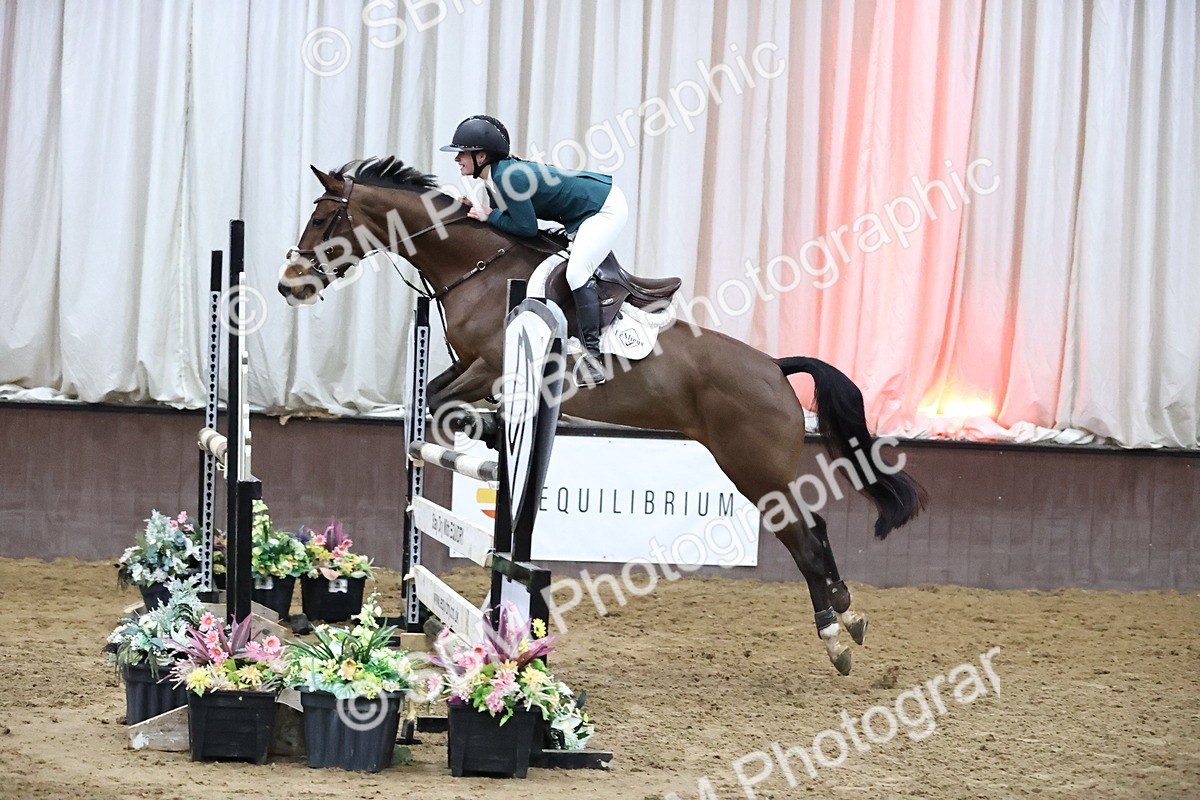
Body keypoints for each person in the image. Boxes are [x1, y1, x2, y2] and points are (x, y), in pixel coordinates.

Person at [440, 114, 627, 386]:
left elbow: (525, 228)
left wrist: (488, 215)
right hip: (583, 212)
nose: (457, 159)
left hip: (604, 208)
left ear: (481, 157)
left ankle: (593, 357)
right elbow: (505, 221)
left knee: (576, 274)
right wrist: (478, 211)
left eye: (462, 154)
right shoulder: (494, 178)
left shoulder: (509, 177)